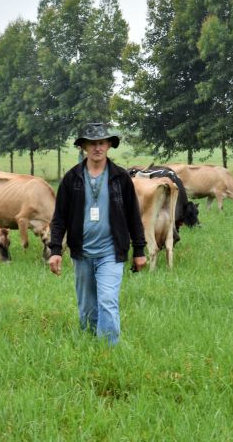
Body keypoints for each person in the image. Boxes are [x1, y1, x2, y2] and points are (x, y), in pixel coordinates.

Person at [48, 122, 147, 345]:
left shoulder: (120, 178)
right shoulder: (72, 178)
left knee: (108, 300)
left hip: (111, 252)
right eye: (92, 143)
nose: (97, 148)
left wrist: (139, 250)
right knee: (87, 307)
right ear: (83, 146)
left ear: (109, 145)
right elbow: (59, 218)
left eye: (101, 142)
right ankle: (89, 344)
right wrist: (55, 251)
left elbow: (134, 216)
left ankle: (109, 349)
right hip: (81, 252)